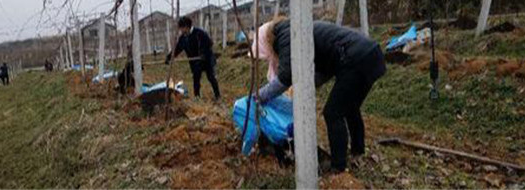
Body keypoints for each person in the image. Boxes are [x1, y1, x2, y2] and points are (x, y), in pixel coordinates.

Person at [253, 18, 386, 172]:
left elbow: (284, 77)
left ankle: (338, 167)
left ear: (266, 42)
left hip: (354, 59)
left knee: (332, 113)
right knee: (350, 107)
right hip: (370, 54)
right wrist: (303, 87)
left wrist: (258, 96)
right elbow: (325, 69)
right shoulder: (296, 29)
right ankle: (358, 150)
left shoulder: (287, 37)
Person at [165, 16, 221, 100]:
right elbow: (177, 49)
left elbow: (209, 43)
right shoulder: (183, 38)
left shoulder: (199, 33)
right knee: (196, 78)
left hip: (206, 59)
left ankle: (218, 96)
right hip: (195, 62)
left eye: (182, 28)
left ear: (187, 27)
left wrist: (203, 53)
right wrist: (169, 57)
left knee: (211, 77)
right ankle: (197, 97)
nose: (181, 30)